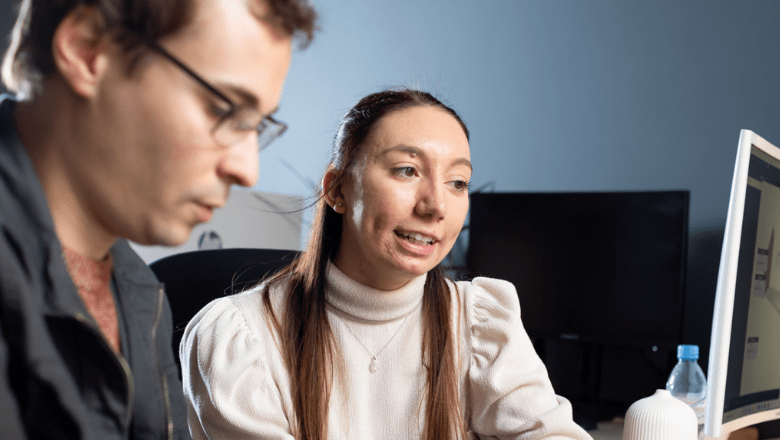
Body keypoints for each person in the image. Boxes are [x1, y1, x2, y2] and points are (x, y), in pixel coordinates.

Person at [180, 88, 595, 439]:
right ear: (337, 190)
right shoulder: (240, 338)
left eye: (458, 182)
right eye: (407, 170)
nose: (435, 206)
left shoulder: (480, 322)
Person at [0, 0, 317, 438]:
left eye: (257, 126)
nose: (248, 169)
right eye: (224, 110)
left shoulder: (140, 292)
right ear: (88, 50)